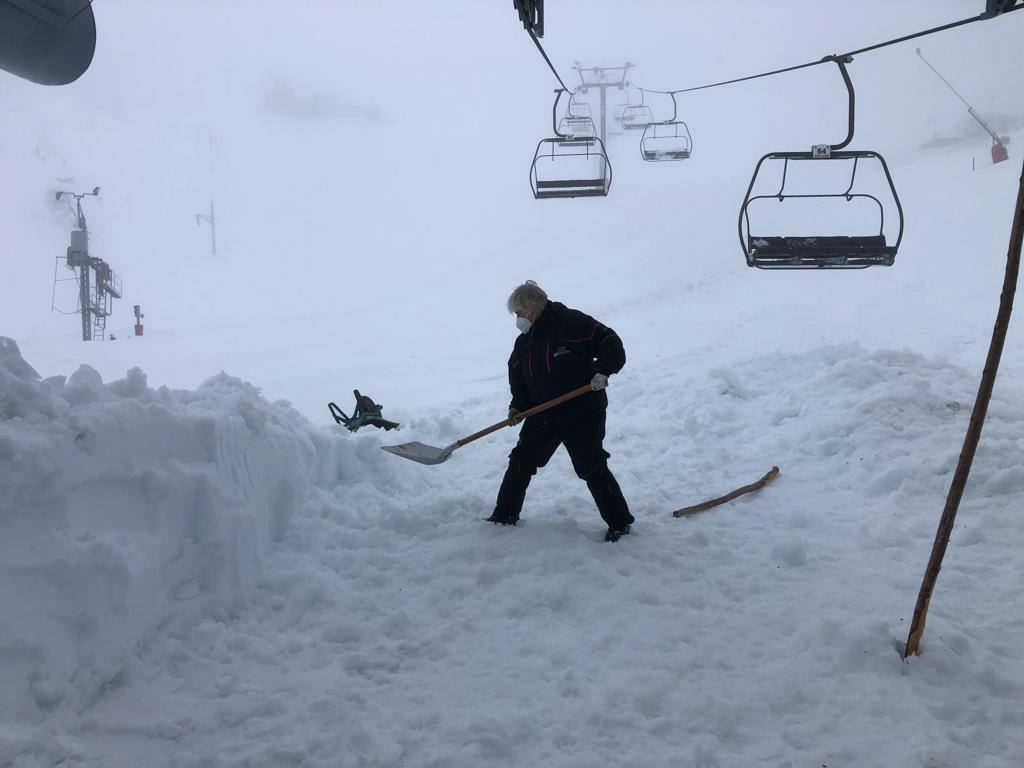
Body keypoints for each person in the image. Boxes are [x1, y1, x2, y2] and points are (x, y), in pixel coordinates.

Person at [486, 281, 635, 542]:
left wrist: (603, 371)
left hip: (582, 410)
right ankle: (503, 516)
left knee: (591, 466)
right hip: (543, 413)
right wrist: (517, 406)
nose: (518, 319)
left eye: (519, 313)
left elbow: (612, 342)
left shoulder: (572, 323)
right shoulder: (524, 343)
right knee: (521, 461)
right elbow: (518, 379)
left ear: (533, 308)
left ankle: (620, 523)